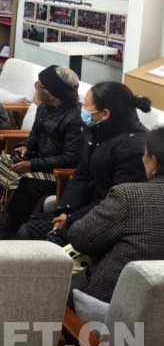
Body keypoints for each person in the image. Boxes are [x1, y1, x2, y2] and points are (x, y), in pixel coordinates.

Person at [26, 81, 150, 247]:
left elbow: (117, 202)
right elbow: (82, 174)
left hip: (110, 218)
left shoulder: (134, 148)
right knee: (36, 224)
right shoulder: (98, 130)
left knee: (54, 241)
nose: (82, 109)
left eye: (86, 105)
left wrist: (71, 219)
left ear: (105, 114)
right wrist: (66, 210)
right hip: (86, 207)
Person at [0, 65, 84, 238]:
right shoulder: (44, 107)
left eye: (39, 85)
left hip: (57, 172)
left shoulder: (75, 119)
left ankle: (4, 231)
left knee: (27, 183)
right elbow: (34, 135)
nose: (36, 88)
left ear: (52, 92)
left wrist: (33, 165)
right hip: (38, 161)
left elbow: (72, 158)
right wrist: (24, 146)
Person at [67, 128, 164, 304]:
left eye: (145, 154)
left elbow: (80, 238)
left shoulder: (130, 196)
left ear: (155, 163)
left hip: (108, 302)